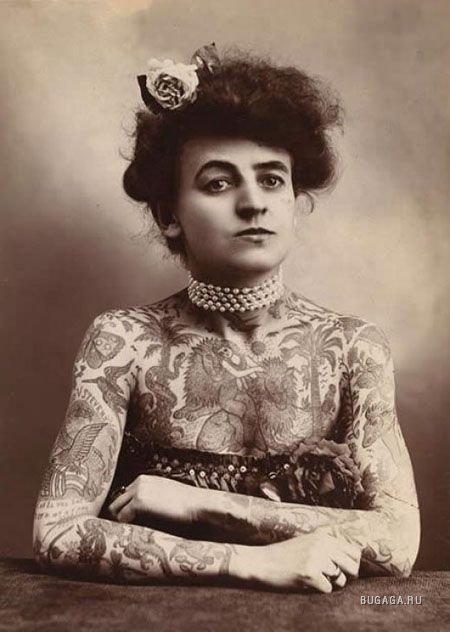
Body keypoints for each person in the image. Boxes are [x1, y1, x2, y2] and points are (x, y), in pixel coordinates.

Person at [33, 44, 420, 593]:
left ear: (295, 202)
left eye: (272, 180)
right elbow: (57, 531)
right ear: (168, 215)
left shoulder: (353, 347)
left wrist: (201, 505)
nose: (253, 203)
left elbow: (398, 541)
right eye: (218, 182)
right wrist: (247, 563)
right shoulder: (124, 341)